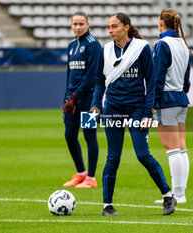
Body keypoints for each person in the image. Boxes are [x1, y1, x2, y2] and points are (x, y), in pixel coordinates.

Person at [90, 12, 176, 216]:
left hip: (137, 109)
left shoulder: (142, 48)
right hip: (113, 109)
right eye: (108, 27)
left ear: (126, 27)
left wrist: (148, 112)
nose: (110, 30)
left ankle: (167, 195)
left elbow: (151, 82)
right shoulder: (105, 51)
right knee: (113, 157)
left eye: (114, 26)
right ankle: (107, 205)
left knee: (142, 154)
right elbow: (99, 81)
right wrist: (95, 104)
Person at [153, 8, 193, 205]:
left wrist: (153, 103)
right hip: (180, 98)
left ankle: (178, 194)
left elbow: (158, 77)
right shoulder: (183, 44)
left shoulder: (162, 44)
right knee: (181, 148)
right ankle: (181, 192)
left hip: (167, 100)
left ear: (161, 23)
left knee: (171, 149)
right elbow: (187, 81)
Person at [62, 11, 101, 188]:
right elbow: (70, 75)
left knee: (89, 136)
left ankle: (91, 178)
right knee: (69, 135)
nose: (78, 27)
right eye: (75, 24)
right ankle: (81, 173)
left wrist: (74, 97)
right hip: (72, 100)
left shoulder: (94, 45)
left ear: (88, 24)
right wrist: (66, 99)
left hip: (89, 100)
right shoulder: (71, 45)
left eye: (81, 24)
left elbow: (91, 76)